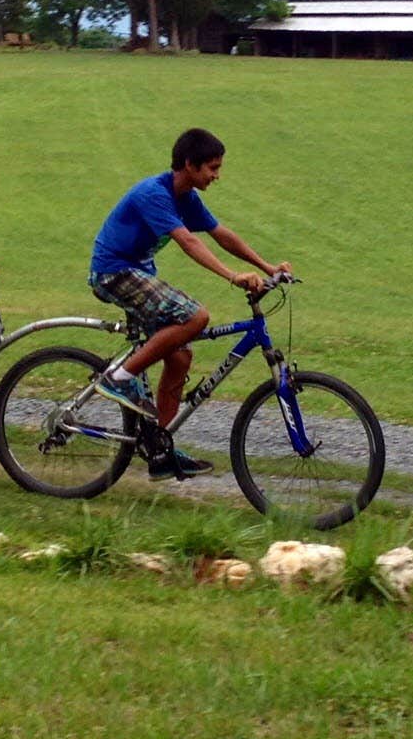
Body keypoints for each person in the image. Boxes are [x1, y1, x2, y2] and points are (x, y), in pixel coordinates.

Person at [88, 127, 291, 479]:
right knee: (196, 316)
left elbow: (220, 235)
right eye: (212, 168)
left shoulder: (187, 198)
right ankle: (118, 378)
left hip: (138, 273)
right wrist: (232, 276)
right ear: (189, 164)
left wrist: (266, 267)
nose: (217, 175)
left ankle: (159, 449)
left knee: (180, 357)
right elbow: (188, 243)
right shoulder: (155, 193)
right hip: (114, 273)